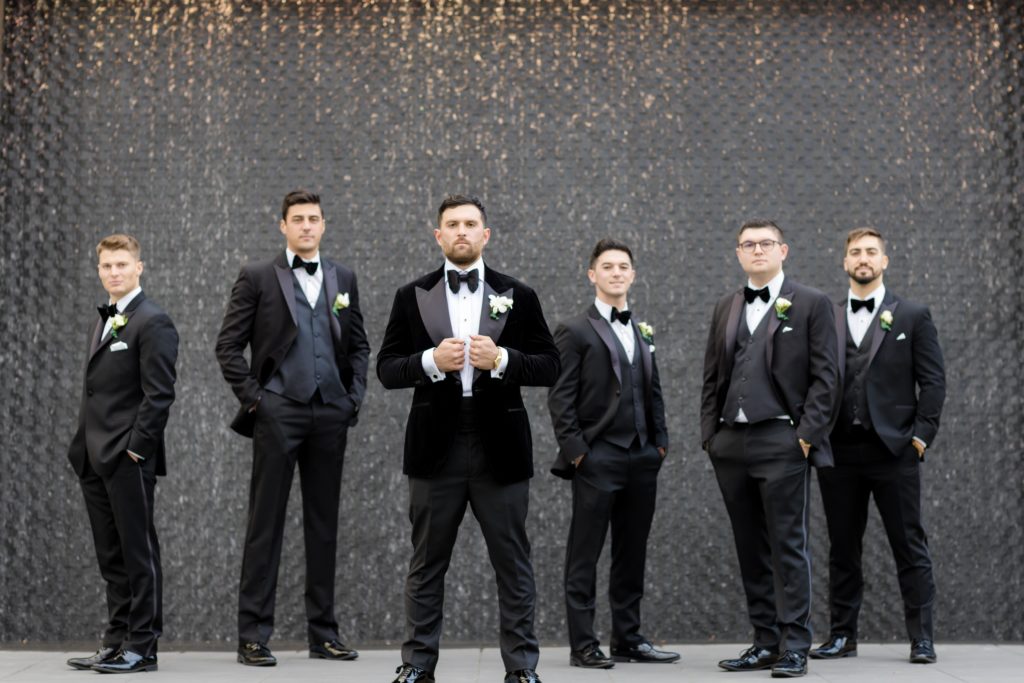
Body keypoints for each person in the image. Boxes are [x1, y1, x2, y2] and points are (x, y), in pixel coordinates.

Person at [377, 195, 560, 683]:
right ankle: (417, 666)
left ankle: (522, 668)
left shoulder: (518, 294)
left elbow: (549, 365)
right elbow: (387, 369)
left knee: (513, 564)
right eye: (452, 224)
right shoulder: (409, 294)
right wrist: (431, 362)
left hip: (500, 446)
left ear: (486, 234)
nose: (462, 231)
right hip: (435, 449)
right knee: (426, 565)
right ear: (438, 236)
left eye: (470, 223)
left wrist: (501, 360)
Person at [215, 189, 369, 666]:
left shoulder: (343, 276)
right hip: (279, 411)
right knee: (266, 523)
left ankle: (323, 634)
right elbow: (227, 347)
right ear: (282, 225)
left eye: (314, 218)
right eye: (297, 219)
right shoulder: (258, 276)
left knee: (324, 526)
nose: (306, 225)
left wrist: (353, 398)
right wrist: (259, 401)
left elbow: (360, 345)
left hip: (330, 414)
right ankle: (253, 636)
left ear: (324, 225)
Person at [700, 219, 839, 678]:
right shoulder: (726, 305)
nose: (756, 250)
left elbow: (827, 378)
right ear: (738, 253)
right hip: (731, 442)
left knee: (789, 545)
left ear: (783, 250)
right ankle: (764, 641)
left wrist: (805, 436)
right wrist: (710, 436)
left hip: (783, 439)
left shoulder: (813, 303)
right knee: (749, 547)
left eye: (765, 244)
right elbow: (713, 376)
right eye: (748, 244)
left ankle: (795, 643)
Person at [810, 228, 945, 665]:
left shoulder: (912, 315)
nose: (862, 259)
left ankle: (921, 639)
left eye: (871, 252)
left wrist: (920, 438)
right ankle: (841, 636)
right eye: (855, 253)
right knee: (842, 548)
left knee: (909, 544)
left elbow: (934, 381)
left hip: (894, 452)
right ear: (845, 262)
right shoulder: (824, 314)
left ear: (884, 261)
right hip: (838, 452)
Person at [547, 238, 677, 669]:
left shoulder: (642, 329)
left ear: (633, 275)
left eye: (623, 266)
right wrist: (578, 452)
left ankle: (628, 637)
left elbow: (652, 391)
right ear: (592, 274)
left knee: (632, 551)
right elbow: (560, 398)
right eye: (608, 266)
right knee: (584, 552)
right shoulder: (574, 329)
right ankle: (583, 644)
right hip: (598, 457)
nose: (617, 272)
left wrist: (660, 444)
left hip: (642, 458)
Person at [66, 234, 178, 674]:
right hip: (92, 458)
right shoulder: (104, 319)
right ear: (99, 271)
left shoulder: (153, 321)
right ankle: (115, 640)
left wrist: (136, 451)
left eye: (121, 264)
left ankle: (142, 645)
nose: (113, 272)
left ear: (139, 266)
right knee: (110, 556)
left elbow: (159, 395)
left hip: (127, 458)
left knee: (137, 552)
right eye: (106, 266)